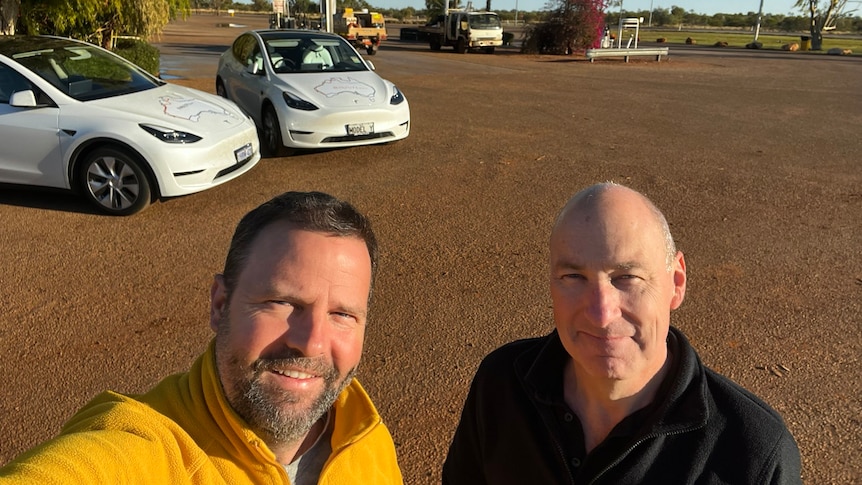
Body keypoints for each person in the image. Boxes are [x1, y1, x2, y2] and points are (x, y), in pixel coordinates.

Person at [0, 191, 403, 484]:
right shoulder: (147, 448)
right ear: (219, 304)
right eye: (282, 303)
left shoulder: (363, 429)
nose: (312, 343)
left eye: (342, 315)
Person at [442, 182, 802, 484]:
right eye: (574, 277)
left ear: (676, 282)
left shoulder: (755, 456)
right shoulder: (501, 385)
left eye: (626, 278)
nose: (601, 313)